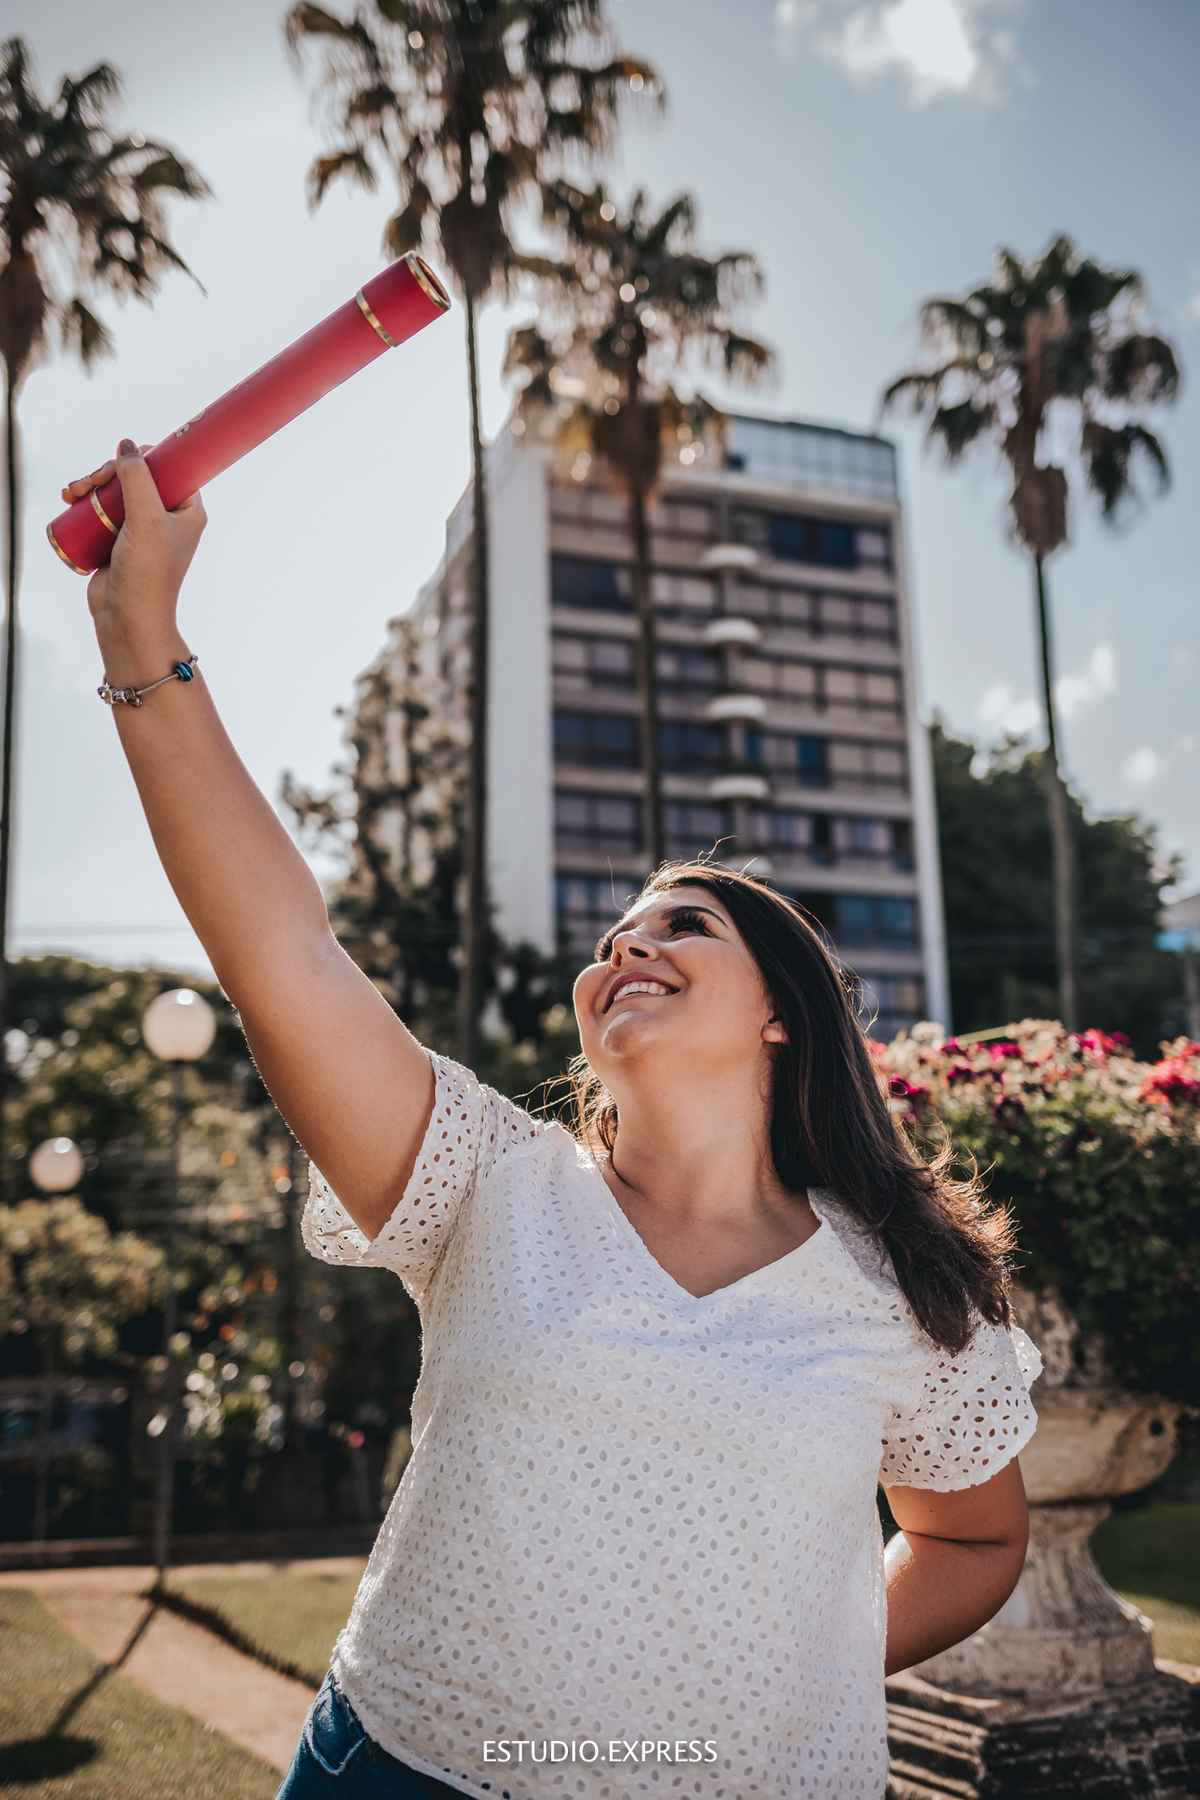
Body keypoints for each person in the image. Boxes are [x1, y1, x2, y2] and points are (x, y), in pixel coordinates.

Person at [69, 443, 1040, 1800]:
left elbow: (975, 1541)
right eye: (613, 939)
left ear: (784, 1011)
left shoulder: (909, 1289)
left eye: (683, 927)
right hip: (398, 1770)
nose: (625, 947)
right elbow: (284, 956)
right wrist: (143, 638)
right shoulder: (482, 1178)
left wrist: (796, 1667)